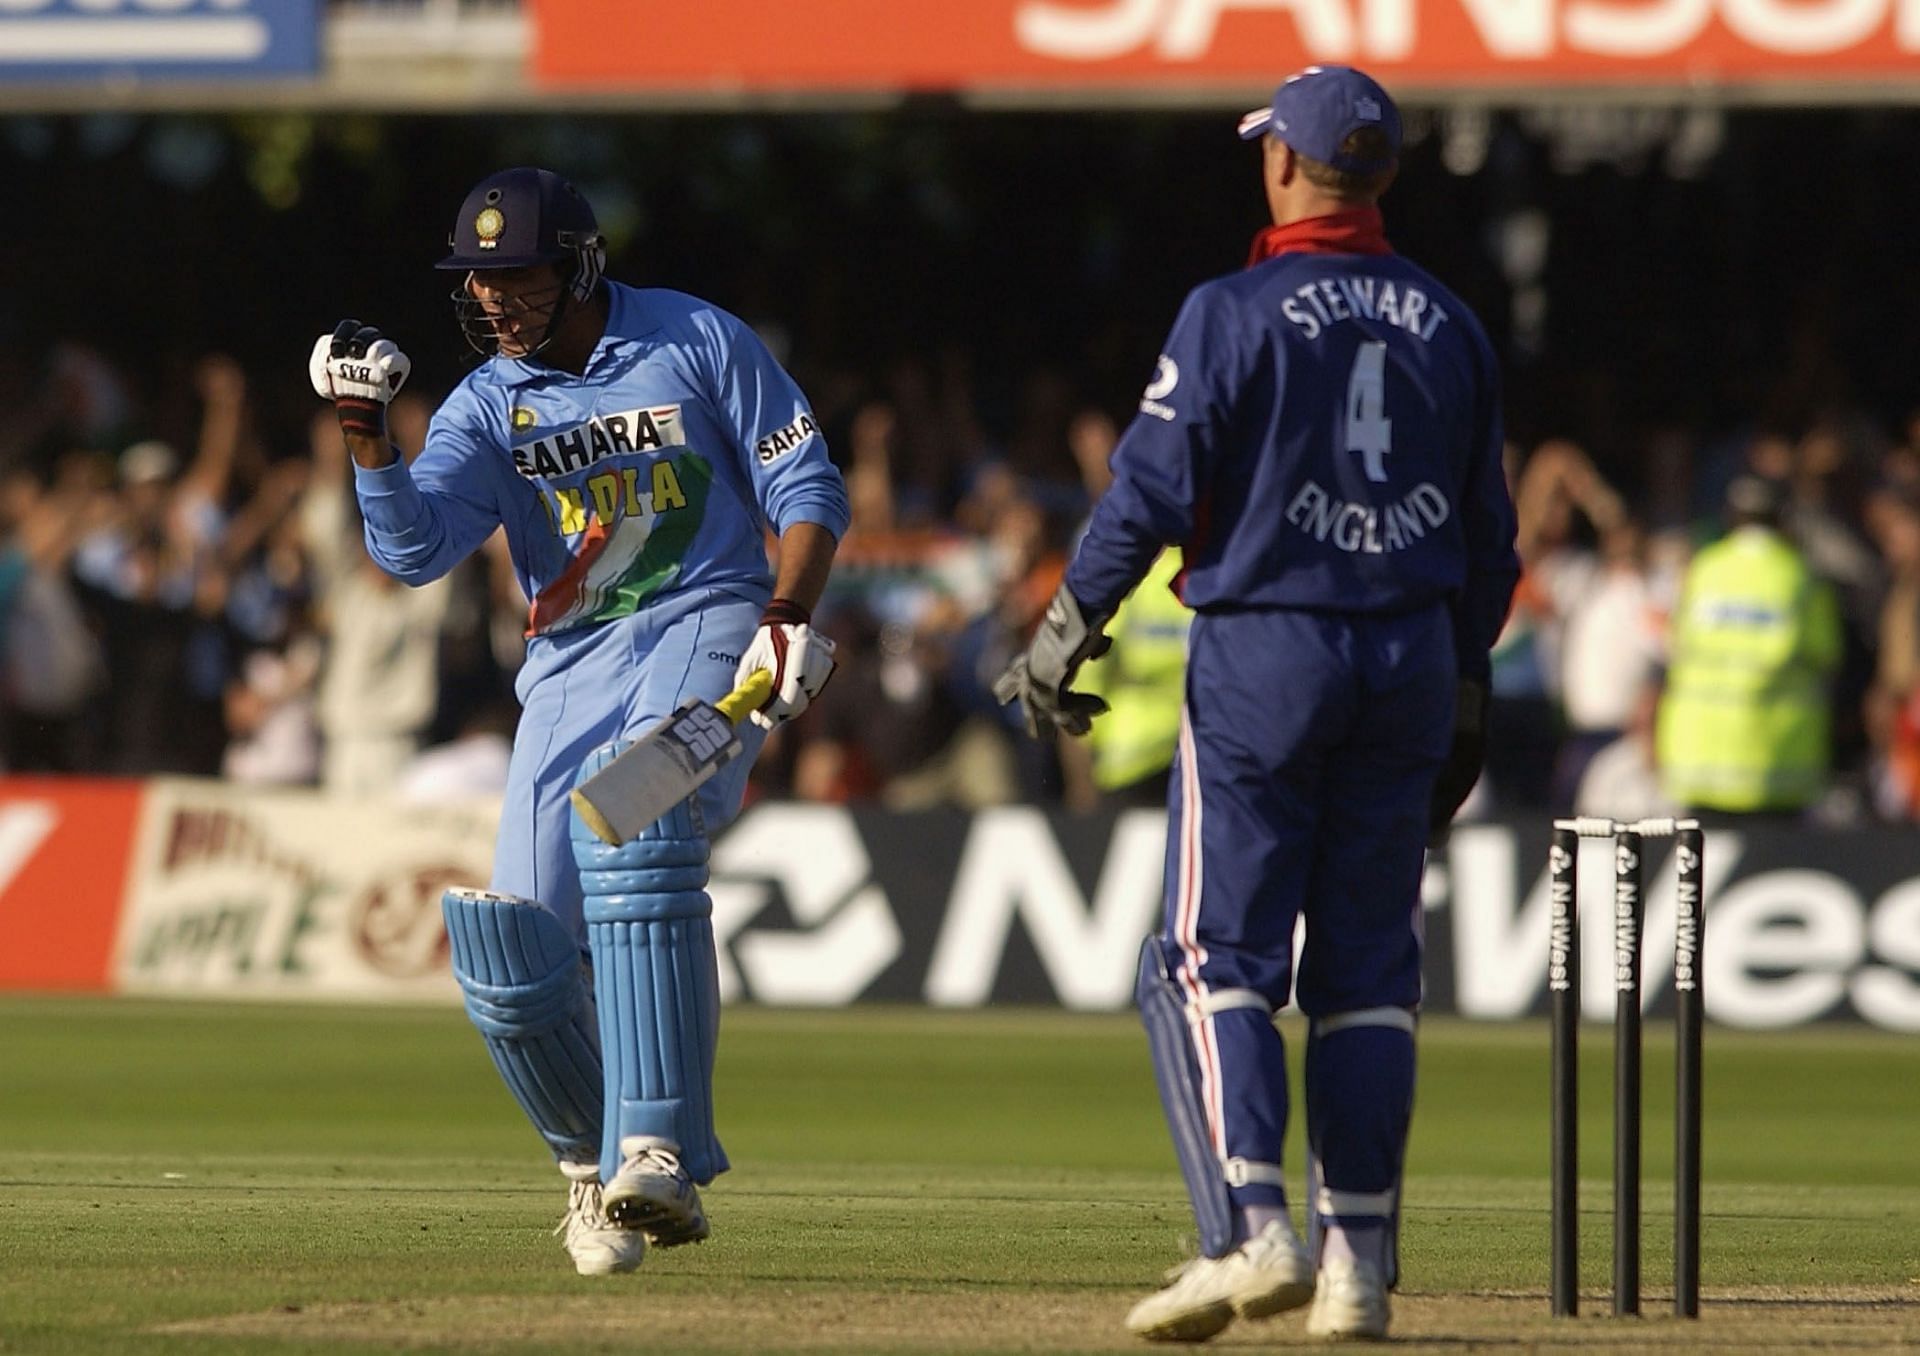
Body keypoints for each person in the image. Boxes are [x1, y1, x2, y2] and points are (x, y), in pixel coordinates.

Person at [995, 67, 1517, 1342]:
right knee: (1366, 976)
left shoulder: (1231, 310)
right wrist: (1457, 686)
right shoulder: (1452, 322)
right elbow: (1495, 549)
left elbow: (1149, 495)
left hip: (1266, 650)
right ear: (1379, 175)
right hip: (1408, 655)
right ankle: (1358, 1270)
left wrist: (1063, 634)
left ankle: (1250, 1231)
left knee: (1200, 960)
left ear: (1285, 165)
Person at [308, 167, 847, 1277]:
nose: (495, 301)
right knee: (511, 954)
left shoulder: (695, 339)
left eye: (519, 276)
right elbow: (413, 554)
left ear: (582, 263)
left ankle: (656, 1144)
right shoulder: (481, 403)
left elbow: (808, 489)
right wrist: (368, 438)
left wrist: (787, 616)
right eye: (479, 281)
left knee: (634, 806)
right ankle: (591, 1176)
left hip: (710, 622)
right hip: (567, 666)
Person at [1656, 474, 1840, 817]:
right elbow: (1825, 653)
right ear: (1783, 518)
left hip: (1700, 761)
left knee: (1698, 868)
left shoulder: (1703, 569)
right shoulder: (1800, 576)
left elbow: (1674, 644)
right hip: (1775, 766)